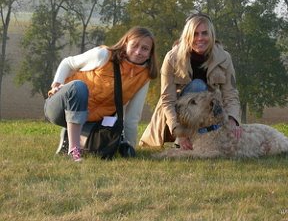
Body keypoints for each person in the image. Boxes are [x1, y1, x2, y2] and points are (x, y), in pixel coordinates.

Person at [44, 26, 158, 161]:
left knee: (111, 130)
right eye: (134, 45)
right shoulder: (103, 55)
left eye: (145, 48)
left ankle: (74, 136)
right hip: (61, 109)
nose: (138, 52)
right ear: (125, 43)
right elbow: (67, 63)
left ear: (150, 53)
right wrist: (56, 85)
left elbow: (133, 116)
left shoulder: (145, 76)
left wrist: (129, 146)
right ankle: (74, 151)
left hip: (94, 121)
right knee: (79, 87)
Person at [139, 12, 242, 150]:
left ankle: (205, 140)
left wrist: (232, 120)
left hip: (208, 113)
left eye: (204, 33)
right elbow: (168, 99)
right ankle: (182, 141)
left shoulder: (224, 57)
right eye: (195, 34)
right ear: (187, 36)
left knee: (207, 95)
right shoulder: (172, 58)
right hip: (179, 114)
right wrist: (179, 133)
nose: (200, 38)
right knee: (198, 86)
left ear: (211, 35)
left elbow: (230, 93)